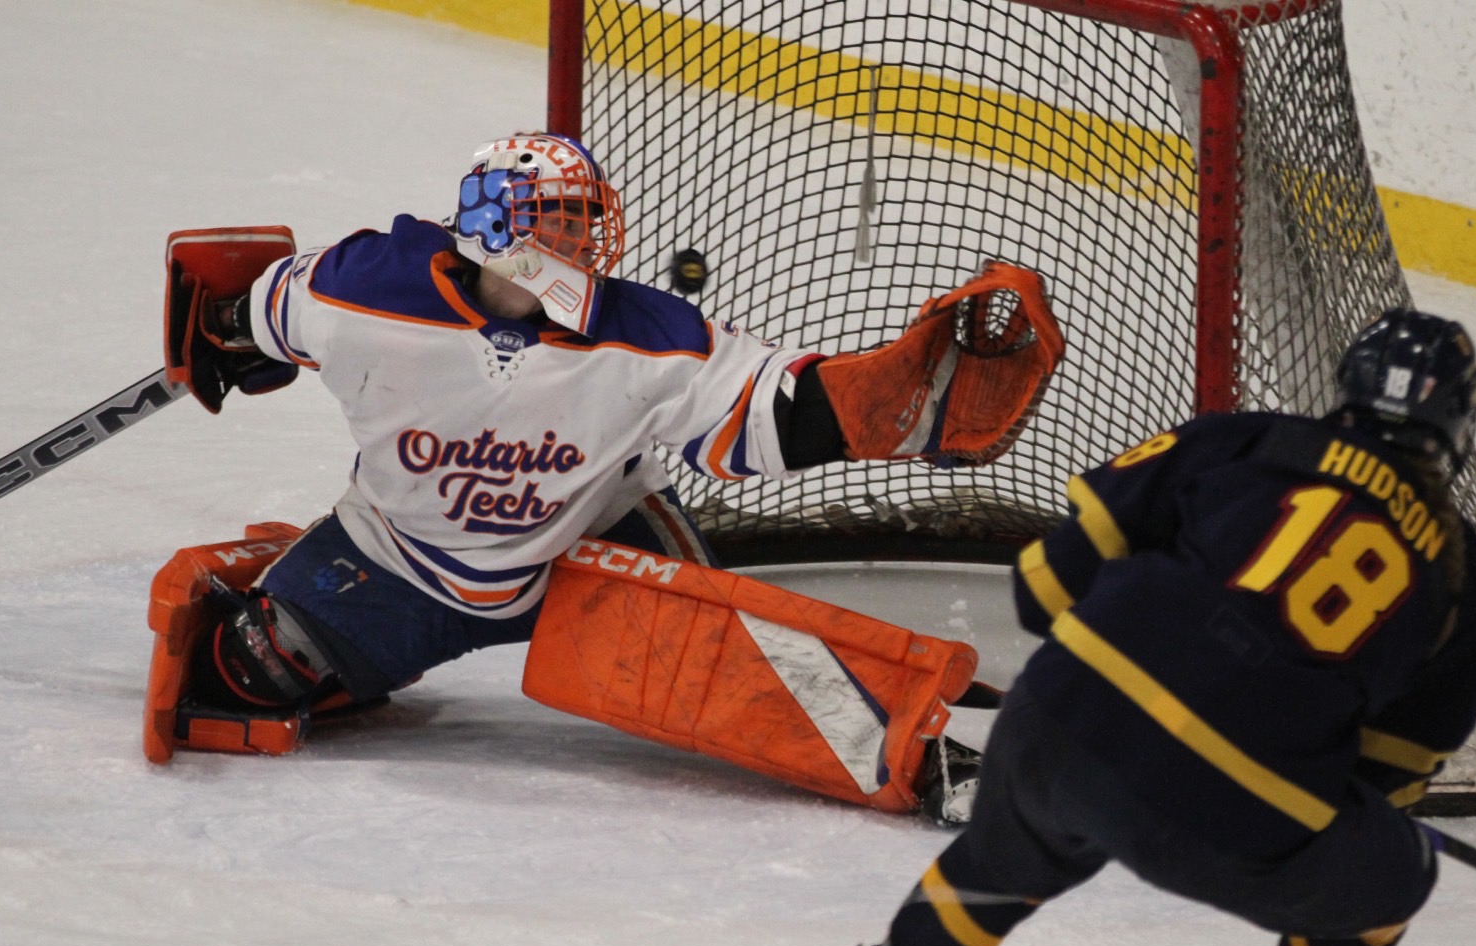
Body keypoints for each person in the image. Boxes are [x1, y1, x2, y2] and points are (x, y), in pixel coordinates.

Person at [140, 132, 1063, 824]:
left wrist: (893, 398)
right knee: (239, 674)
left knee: (745, 676)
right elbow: (255, 310)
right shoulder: (362, 289)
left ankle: (924, 756)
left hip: (586, 556)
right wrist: (223, 333)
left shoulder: (646, 336)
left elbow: (781, 409)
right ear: (497, 224)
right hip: (394, 563)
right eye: (561, 219)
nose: (584, 240)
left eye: (586, 219)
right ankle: (332, 632)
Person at [786, 309, 1476, 946]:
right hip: (1232, 806)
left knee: (1008, 852)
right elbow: (1383, 787)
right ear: (1460, 426)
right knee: (1396, 871)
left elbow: (1042, 587)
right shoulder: (1468, 590)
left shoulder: (1243, 438)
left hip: (1061, 717)